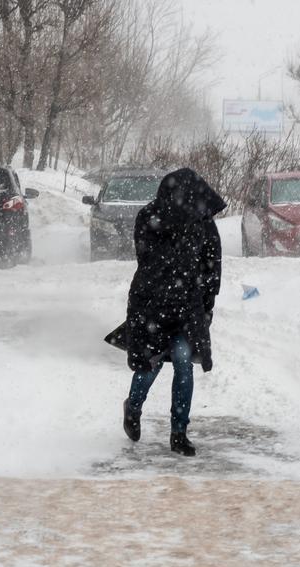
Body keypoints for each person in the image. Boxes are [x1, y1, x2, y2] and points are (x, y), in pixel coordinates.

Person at [105, 167, 225, 456]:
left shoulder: (203, 222)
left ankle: (179, 432)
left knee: (184, 362)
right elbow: (147, 260)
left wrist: (206, 303)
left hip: (189, 306)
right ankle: (133, 407)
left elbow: (212, 265)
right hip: (153, 304)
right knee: (151, 362)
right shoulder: (150, 217)